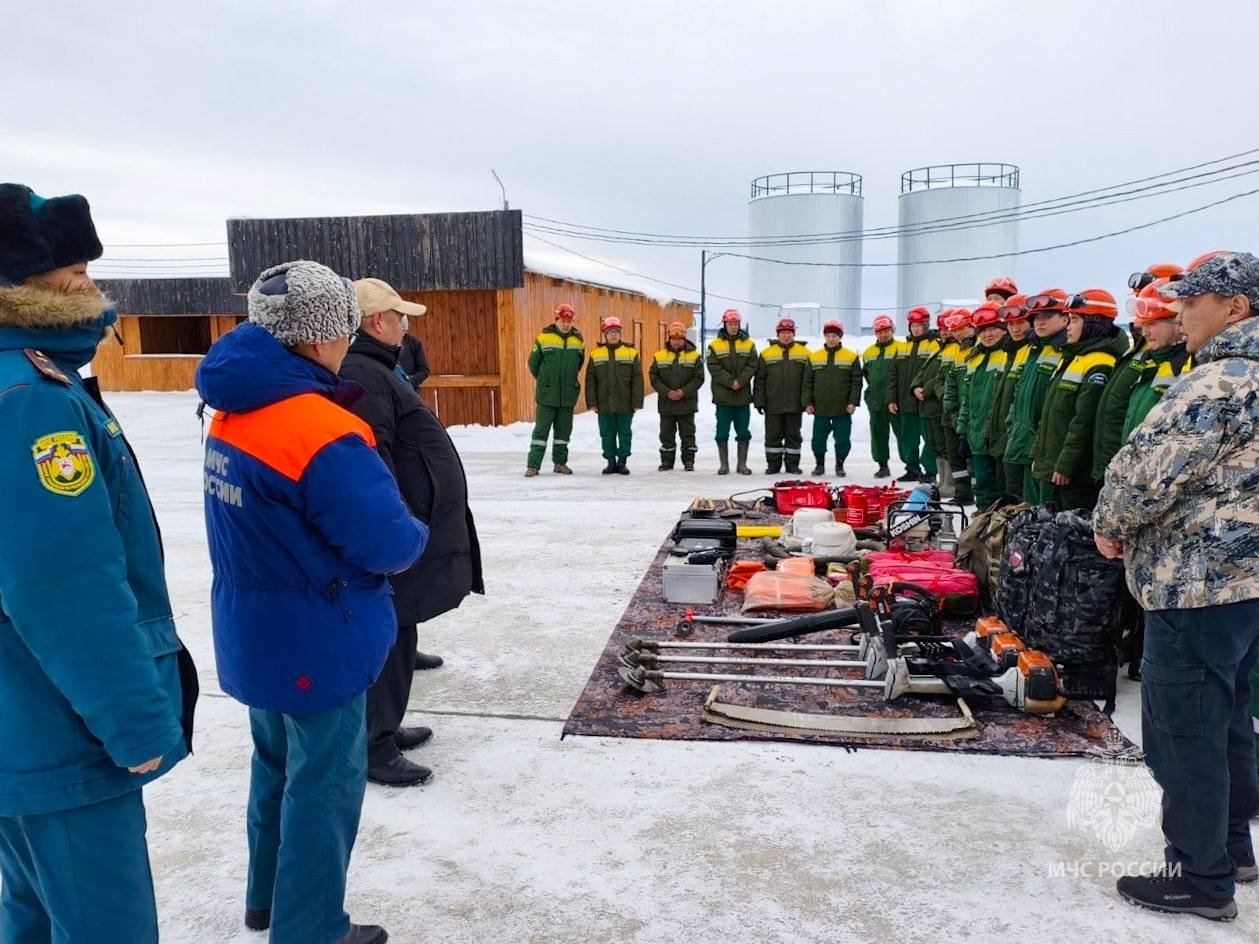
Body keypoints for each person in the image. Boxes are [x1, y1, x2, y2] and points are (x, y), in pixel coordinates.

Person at [197, 259, 428, 944]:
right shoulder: (318, 427)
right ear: (324, 335)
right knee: (324, 785)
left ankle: (267, 901)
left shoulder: (234, 409)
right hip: (319, 634)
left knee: (274, 767)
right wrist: (417, 530)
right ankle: (312, 927)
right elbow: (386, 542)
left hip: (254, 627)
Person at [0, 183, 197, 944]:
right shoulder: (32, 398)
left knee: (34, 916)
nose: (89, 282)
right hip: (56, 731)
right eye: (72, 267)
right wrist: (134, 721)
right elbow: (63, 585)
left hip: (24, 723)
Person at [1093, 251, 1259, 921]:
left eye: (1191, 302)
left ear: (1234, 308)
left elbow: (1144, 476)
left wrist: (1109, 525)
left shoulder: (1217, 383)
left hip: (1195, 585)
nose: (1178, 313)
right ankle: (1230, 849)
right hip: (1245, 584)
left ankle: (1201, 878)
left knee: (1184, 731)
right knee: (1228, 719)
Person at [341, 277, 484, 788]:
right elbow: (373, 455)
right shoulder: (363, 372)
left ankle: (386, 725)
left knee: (400, 629)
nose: (406, 325)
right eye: (400, 317)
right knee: (389, 632)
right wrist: (394, 523)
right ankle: (373, 745)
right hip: (396, 533)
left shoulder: (377, 366)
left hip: (409, 526)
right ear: (377, 321)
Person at [1030, 288, 1128, 510]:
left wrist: (1066, 465)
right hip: (1055, 465)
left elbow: (1083, 421)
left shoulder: (1100, 362)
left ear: (1094, 324)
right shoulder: (1074, 358)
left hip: (1073, 473)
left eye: (1074, 320)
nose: (1068, 326)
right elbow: (1052, 413)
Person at [1090, 264, 1181, 481]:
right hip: (1121, 470)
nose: (1144, 329)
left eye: (1153, 321)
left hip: (1149, 481)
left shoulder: (1186, 365)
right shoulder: (1144, 355)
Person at [1006, 289, 1068, 503]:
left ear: (1065, 318)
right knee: (1026, 505)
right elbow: (1019, 394)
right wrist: (1012, 424)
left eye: (1047, 316)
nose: (1040, 322)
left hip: (1044, 448)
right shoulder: (1034, 350)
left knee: (1044, 507)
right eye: (1036, 318)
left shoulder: (1064, 352)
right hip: (1023, 442)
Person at [1119, 279, 1192, 443]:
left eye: (1152, 324)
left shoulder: (1190, 367)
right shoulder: (1150, 364)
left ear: (1178, 321)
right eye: (1143, 324)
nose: (1145, 332)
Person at [956, 302, 1009, 509]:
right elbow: (966, 399)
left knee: (1001, 489)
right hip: (976, 436)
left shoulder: (1008, 355)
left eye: (993, 328)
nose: (988, 334)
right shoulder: (975, 358)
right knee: (983, 486)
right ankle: (984, 520)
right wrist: (963, 432)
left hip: (997, 436)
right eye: (983, 330)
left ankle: (996, 523)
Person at [526, 303, 584, 477]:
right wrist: (546, 380)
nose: (565, 324)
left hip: (567, 396)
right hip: (547, 396)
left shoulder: (578, 341)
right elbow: (533, 364)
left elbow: (578, 364)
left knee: (563, 433)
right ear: (556, 320)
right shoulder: (544, 338)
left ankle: (560, 464)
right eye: (562, 320)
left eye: (568, 321)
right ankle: (533, 465)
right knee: (541, 432)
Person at [985, 294, 1033, 499]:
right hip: (1002, 438)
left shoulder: (1032, 352)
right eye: (1011, 324)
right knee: (1004, 495)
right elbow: (997, 399)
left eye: (1021, 322)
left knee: (1017, 498)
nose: (1015, 329)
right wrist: (989, 431)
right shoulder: (1009, 353)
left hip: (1019, 441)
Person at [887, 306, 940, 482]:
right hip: (906, 402)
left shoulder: (935, 345)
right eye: (913, 326)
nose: (916, 329)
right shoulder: (903, 347)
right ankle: (912, 468)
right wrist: (891, 399)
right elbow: (893, 375)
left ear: (926, 325)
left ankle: (930, 470)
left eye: (919, 325)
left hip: (926, 401)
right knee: (908, 438)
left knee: (929, 438)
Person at [804, 319, 862, 476]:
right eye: (829, 336)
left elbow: (856, 382)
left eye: (834, 336)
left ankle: (840, 465)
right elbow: (807, 382)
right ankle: (819, 465)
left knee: (843, 440)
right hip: (820, 407)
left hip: (842, 408)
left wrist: (853, 402)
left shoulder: (851, 356)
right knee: (818, 440)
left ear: (840, 337)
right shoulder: (814, 357)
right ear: (824, 336)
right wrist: (807, 402)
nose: (831, 339)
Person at [586, 316, 643, 474]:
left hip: (625, 403)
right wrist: (592, 402)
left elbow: (637, 379)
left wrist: (636, 402)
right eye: (610, 332)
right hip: (604, 403)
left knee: (625, 433)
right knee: (607, 434)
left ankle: (622, 462)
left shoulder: (631, 352)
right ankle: (611, 462)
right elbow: (590, 380)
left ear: (620, 334)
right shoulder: (596, 354)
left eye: (616, 331)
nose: (613, 335)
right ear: (605, 334)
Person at [754, 316, 811, 474]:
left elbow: (809, 380)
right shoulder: (766, 353)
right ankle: (773, 465)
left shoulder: (805, 353)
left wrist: (807, 401)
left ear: (794, 334)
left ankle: (792, 465)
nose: (786, 336)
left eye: (789, 332)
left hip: (795, 404)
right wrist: (759, 401)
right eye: (783, 333)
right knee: (773, 436)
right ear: (778, 334)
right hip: (773, 404)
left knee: (793, 436)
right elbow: (760, 380)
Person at [706, 308, 757, 475]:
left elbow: (752, 365)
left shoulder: (749, 344)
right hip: (723, 397)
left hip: (742, 396)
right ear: (725, 325)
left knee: (743, 431)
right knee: (722, 431)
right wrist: (730, 381)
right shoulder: (714, 345)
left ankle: (742, 464)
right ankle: (724, 465)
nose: (733, 327)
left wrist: (740, 381)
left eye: (736, 324)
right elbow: (713, 367)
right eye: (730, 324)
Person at [649, 321, 704, 470]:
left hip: (687, 404)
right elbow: (654, 377)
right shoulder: (659, 356)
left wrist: (683, 392)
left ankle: (689, 461)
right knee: (666, 434)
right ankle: (667, 461)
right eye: (674, 338)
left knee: (688, 434)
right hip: (666, 404)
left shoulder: (694, 356)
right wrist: (667, 392)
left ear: (684, 338)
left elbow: (698, 378)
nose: (677, 342)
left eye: (680, 339)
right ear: (669, 338)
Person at [912, 311, 956, 495]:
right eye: (942, 329)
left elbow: (941, 375)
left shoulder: (954, 349)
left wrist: (926, 390)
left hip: (938, 405)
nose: (944, 332)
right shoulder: (938, 348)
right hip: (928, 406)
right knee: (935, 445)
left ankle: (950, 484)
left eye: (948, 329)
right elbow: (923, 371)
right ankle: (942, 481)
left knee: (945, 446)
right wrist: (915, 386)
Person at [940, 309, 976, 501]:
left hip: (970, 415)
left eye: (961, 329)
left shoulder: (977, 350)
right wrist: (951, 410)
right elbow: (948, 383)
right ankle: (962, 493)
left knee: (973, 458)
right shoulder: (956, 352)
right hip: (952, 415)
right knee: (955, 457)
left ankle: (978, 495)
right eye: (954, 330)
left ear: (972, 327)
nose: (957, 333)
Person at [863, 314, 900, 478]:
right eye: (880, 332)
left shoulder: (901, 348)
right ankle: (882, 465)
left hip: (896, 401)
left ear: (892, 330)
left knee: (903, 434)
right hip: (876, 400)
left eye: (886, 331)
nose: (883, 334)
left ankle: (912, 466)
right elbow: (867, 375)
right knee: (878, 435)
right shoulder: (868, 352)